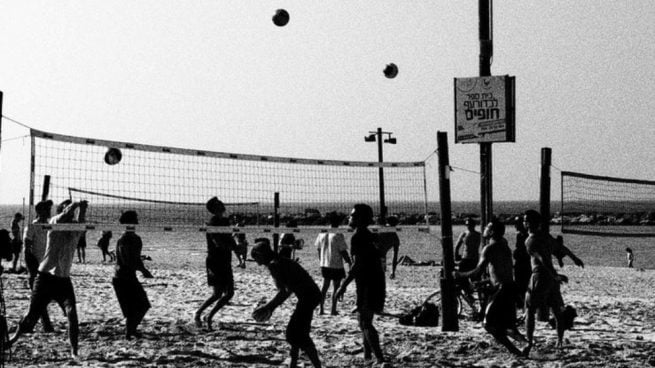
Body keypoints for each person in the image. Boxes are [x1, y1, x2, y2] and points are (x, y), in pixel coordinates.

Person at [9, 200, 88, 359]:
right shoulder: (54, 224)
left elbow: (80, 222)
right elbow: (65, 214)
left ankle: (74, 351)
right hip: (45, 277)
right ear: (61, 211)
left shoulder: (74, 231)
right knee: (31, 317)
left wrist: (83, 209)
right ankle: (13, 339)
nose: (70, 213)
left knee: (72, 314)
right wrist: (75, 204)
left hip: (63, 280)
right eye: (66, 208)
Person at [454, 218, 526, 356]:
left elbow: (477, 271)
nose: (484, 230)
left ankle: (515, 351)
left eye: (487, 227)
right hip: (510, 287)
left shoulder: (489, 248)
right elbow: (501, 271)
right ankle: (526, 345)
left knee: (488, 324)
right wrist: (485, 281)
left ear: (492, 231)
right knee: (509, 327)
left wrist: (459, 274)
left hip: (501, 289)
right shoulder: (504, 245)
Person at [251, 238, 322, 368]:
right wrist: (271, 307)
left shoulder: (274, 265)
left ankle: (317, 366)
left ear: (260, 255)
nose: (258, 264)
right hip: (312, 295)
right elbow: (288, 289)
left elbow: (283, 292)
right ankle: (293, 365)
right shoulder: (281, 260)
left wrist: (267, 307)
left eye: (256, 259)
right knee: (297, 333)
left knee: (294, 334)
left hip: (308, 297)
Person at [335, 204, 388, 367]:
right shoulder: (371, 235)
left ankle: (380, 359)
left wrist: (342, 286)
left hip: (367, 283)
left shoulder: (357, 236)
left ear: (359, 219)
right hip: (377, 281)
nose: (349, 217)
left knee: (365, 322)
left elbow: (357, 265)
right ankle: (367, 357)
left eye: (352, 215)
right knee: (363, 320)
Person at [522, 209, 569, 356]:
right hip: (551, 277)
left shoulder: (530, 240)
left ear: (529, 223)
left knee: (529, 309)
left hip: (540, 275)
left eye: (525, 220)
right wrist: (574, 258)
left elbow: (542, 259)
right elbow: (560, 248)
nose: (523, 223)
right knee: (556, 309)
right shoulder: (545, 236)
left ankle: (528, 342)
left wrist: (555, 275)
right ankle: (560, 340)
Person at [195, 197, 237, 330]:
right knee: (217, 293)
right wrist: (232, 247)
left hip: (226, 259)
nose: (222, 204)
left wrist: (238, 249)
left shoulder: (225, 221)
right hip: (215, 260)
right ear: (214, 208)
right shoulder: (213, 222)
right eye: (219, 203)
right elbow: (217, 242)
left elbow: (229, 239)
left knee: (229, 293)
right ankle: (198, 314)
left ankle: (209, 316)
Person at [112, 211, 153, 339]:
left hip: (127, 277)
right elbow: (127, 260)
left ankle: (131, 331)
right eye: (135, 219)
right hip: (121, 278)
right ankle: (129, 333)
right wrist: (143, 270)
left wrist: (142, 268)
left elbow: (133, 259)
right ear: (129, 222)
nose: (137, 221)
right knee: (139, 307)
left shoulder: (134, 238)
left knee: (141, 306)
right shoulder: (124, 239)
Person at [22, 200, 54, 332]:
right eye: (46, 209)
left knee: (42, 298)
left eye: (49, 209)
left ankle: (30, 323)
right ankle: (44, 324)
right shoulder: (32, 226)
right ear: (39, 211)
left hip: (48, 266)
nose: (49, 211)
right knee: (39, 298)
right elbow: (26, 249)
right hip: (36, 267)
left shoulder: (51, 225)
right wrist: (32, 270)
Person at [314, 212, 351, 315]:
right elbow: (343, 251)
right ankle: (333, 309)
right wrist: (349, 261)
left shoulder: (322, 233)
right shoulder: (338, 234)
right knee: (336, 287)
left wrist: (321, 260)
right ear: (338, 222)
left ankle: (321, 309)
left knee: (324, 287)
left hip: (324, 263)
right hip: (336, 264)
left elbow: (318, 248)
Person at [513, 218, 531, 310]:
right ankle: (520, 301)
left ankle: (524, 301)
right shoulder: (519, 235)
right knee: (518, 282)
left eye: (517, 224)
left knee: (524, 282)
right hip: (519, 262)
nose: (515, 226)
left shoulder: (527, 236)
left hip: (525, 262)